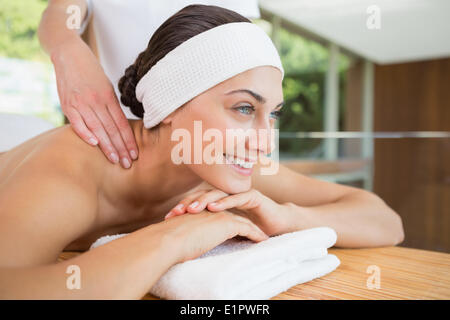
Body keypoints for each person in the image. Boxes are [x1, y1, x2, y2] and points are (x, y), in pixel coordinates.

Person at [0, 5, 404, 299]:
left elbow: (385, 221)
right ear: (169, 106)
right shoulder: (73, 171)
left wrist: (285, 217)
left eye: (273, 114)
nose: (265, 141)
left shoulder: (223, 166)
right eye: (244, 108)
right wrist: (173, 237)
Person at [38, 0, 260, 169]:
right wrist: (68, 48)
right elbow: (63, 13)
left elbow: (242, 44)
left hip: (207, 141)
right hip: (120, 139)